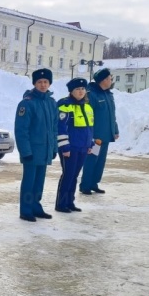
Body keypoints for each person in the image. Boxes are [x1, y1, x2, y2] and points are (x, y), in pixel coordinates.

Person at [14, 68, 58, 221]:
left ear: (49, 83)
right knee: (29, 182)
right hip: (32, 151)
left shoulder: (52, 103)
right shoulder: (27, 104)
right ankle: (26, 210)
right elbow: (21, 130)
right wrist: (25, 151)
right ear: (34, 83)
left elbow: (54, 128)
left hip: (45, 150)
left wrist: (53, 148)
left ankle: (36, 207)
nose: (43, 84)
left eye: (46, 81)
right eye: (39, 82)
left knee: (39, 182)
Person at [55, 78, 94, 213]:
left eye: (83, 89)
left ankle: (70, 202)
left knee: (75, 175)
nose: (81, 91)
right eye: (77, 89)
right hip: (70, 148)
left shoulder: (87, 106)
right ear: (71, 91)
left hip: (83, 147)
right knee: (68, 175)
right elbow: (61, 128)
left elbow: (90, 127)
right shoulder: (65, 105)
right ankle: (61, 203)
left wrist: (91, 144)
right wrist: (64, 147)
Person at [79, 68, 119, 195]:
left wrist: (115, 130)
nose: (111, 81)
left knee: (100, 161)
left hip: (106, 135)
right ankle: (85, 185)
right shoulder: (92, 95)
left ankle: (94, 183)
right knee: (92, 160)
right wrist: (89, 134)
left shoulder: (108, 94)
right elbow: (87, 116)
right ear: (103, 80)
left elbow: (112, 115)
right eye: (109, 79)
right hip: (96, 137)